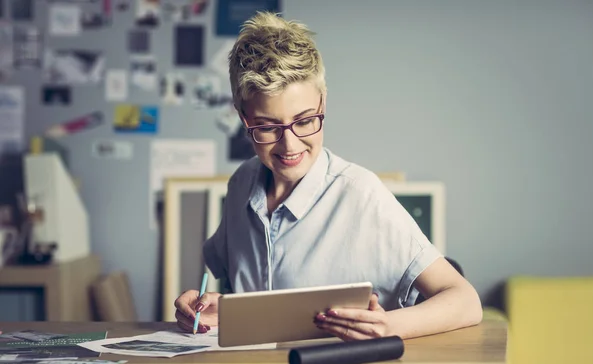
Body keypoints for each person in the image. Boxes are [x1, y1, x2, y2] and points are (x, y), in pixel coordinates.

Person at [174, 11, 482, 340]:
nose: (289, 145)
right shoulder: (241, 185)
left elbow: (466, 302)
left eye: (305, 120)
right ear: (242, 115)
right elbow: (257, 298)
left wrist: (390, 326)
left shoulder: (361, 194)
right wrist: (219, 309)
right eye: (266, 127)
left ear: (323, 102)